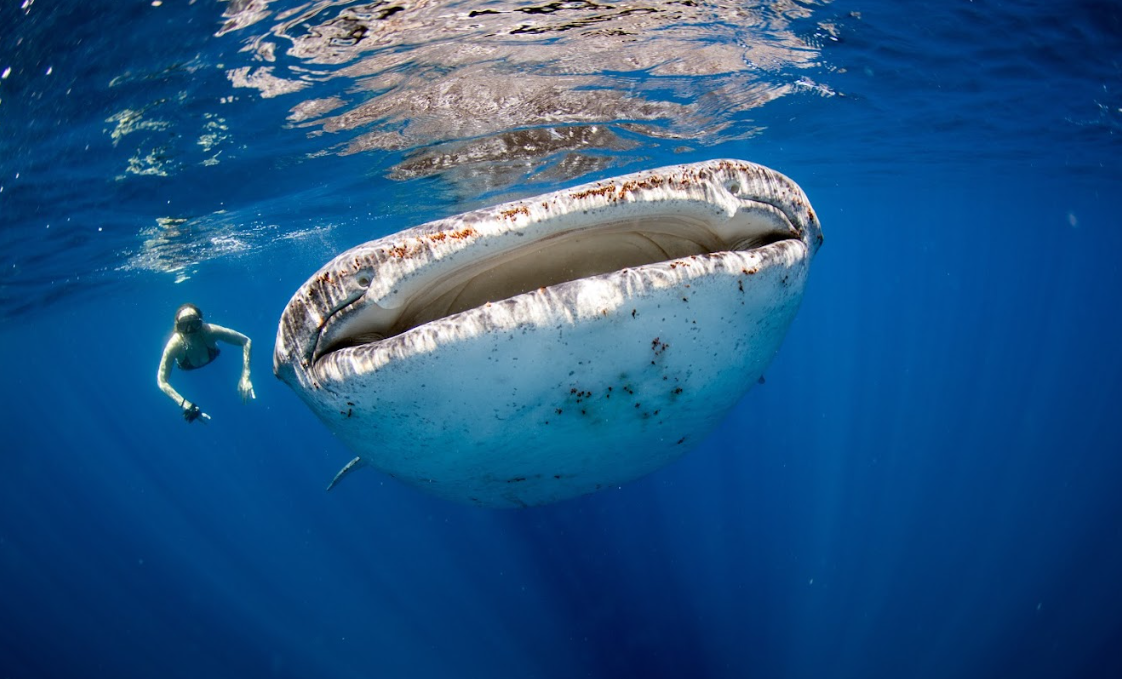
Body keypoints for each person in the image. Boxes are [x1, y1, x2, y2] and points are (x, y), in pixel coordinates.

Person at [157, 303, 255, 423]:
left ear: (201, 323)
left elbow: (246, 341)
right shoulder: (174, 345)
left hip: (208, 357)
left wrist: (246, 375)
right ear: (177, 328)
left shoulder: (210, 331)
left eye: (194, 324)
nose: (190, 330)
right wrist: (185, 404)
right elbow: (161, 381)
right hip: (192, 364)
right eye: (184, 326)